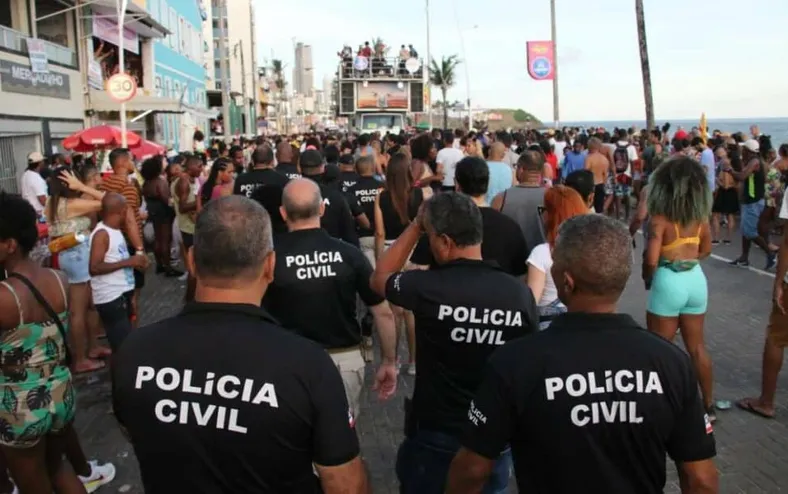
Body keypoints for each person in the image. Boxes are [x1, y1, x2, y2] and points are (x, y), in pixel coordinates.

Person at [111, 196, 368, 494]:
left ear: (191, 261)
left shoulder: (134, 351)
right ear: (270, 265)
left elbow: (133, 428)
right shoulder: (308, 365)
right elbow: (344, 483)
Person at [446, 214, 719, 494]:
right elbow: (701, 478)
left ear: (567, 282)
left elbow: (473, 469)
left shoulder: (515, 362)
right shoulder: (670, 362)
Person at [370, 192, 539, 494]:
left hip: (437, 431)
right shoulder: (519, 294)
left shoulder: (427, 287)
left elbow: (380, 276)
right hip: (493, 435)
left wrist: (416, 226)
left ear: (445, 242)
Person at [0, 191, 116, 494]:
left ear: (10, 245)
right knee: (57, 467)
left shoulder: (5, 297)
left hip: (21, 405)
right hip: (59, 392)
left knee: (33, 482)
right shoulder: (58, 279)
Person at [263, 179, 397, 417]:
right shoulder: (349, 254)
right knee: (341, 433)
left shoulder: (269, 259)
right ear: (322, 209)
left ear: (283, 213)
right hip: (343, 361)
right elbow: (382, 311)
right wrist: (389, 361)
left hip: (287, 362)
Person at [644, 157, 715, 419]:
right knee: (697, 348)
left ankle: (662, 407)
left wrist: (647, 278)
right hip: (695, 279)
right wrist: (688, 260)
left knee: (660, 350)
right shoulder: (700, 218)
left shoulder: (659, 220)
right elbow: (706, 250)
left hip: (668, 279)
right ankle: (708, 405)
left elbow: (651, 260)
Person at [89, 193, 148, 352]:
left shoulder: (114, 230)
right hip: (111, 298)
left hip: (121, 294)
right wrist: (129, 262)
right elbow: (94, 268)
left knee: (126, 343)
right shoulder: (102, 234)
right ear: (121, 212)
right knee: (122, 347)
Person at [527, 186, 589, 330]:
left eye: (543, 210)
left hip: (548, 327)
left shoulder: (541, 253)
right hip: (582, 326)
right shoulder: (590, 251)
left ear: (552, 215)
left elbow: (531, 305)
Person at [454, 156, 527, 277]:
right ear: (487, 185)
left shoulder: (443, 224)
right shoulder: (510, 226)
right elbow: (520, 271)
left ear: (457, 185)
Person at [99, 149, 146, 306]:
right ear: (123, 163)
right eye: (131, 160)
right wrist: (139, 250)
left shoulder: (104, 184)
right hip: (128, 243)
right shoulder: (127, 186)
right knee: (133, 293)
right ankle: (132, 321)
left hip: (111, 241)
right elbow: (129, 221)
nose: (133, 164)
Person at [299, 149, 363, 247]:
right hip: (332, 251)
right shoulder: (336, 197)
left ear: (299, 168)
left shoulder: (290, 196)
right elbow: (350, 235)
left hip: (299, 250)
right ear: (323, 168)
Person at [491, 150, 546, 258]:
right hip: (541, 260)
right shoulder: (551, 197)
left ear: (520, 169)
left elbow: (493, 229)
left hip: (510, 258)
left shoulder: (501, 198)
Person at [141, 157, 181, 277]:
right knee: (165, 240)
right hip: (163, 212)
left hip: (153, 212)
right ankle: (168, 267)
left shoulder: (146, 183)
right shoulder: (160, 182)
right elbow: (166, 200)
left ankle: (159, 265)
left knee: (158, 239)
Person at [172, 154, 203, 302]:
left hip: (191, 227)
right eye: (199, 166)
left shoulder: (188, 180)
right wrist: (201, 200)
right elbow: (183, 207)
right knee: (194, 268)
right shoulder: (184, 182)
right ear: (191, 167)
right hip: (189, 229)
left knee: (195, 267)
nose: (201, 169)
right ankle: (190, 301)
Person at [21, 151, 48, 217]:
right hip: (39, 212)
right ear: (40, 163)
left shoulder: (25, 174)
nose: (44, 163)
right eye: (43, 161)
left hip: (28, 210)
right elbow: (42, 200)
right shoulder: (36, 178)